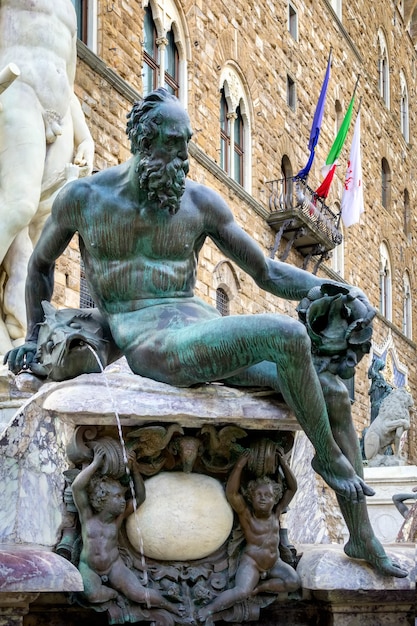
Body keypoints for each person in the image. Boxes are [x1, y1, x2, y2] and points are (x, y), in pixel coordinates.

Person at [5, 88, 407, 578]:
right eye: (173, 149)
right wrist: (33, 335)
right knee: (287, 336)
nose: (183, 163)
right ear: (143, 144)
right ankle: (328, 459)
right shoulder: (86, 199)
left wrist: (337, 287)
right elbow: (41, 264)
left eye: (187, 149)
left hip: (200, 329)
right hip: (151, 342)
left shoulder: (199, 203)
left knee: (332, 392)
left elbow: (267, 272)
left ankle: (362, 537)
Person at [0, 0, 94, 355]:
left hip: (60, 111)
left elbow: (66, 73)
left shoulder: (68, 8)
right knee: (20, 205)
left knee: (40, 232)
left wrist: (84, 136)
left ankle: (22, 332)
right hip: (16, 88)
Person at [71, 444, 184, 614]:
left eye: (123, 496)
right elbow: (76, 488)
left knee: (139, 594)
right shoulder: (88, 517)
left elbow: (140, 497)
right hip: (89, 567)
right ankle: (114, 594)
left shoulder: (119, 517)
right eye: (117, 497)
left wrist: (135, 469)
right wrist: (95, 464)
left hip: (114, 566)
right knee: (92, 595)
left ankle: (172, 607)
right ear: (102, 499)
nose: (123, 501)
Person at [197, 449, 300, 623]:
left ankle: (259, 589)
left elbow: (292, 488)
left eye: (267, 495)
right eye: (258, 494)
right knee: (241, 591)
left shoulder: (276, 513)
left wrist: (283, 463)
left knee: (293, 582)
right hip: (252, 562)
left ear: (275, 499)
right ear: (251, 497)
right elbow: (232, 494)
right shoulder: (247, 516)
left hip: (274, 563)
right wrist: (239, 465)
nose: (262, 498)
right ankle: (209, 609)